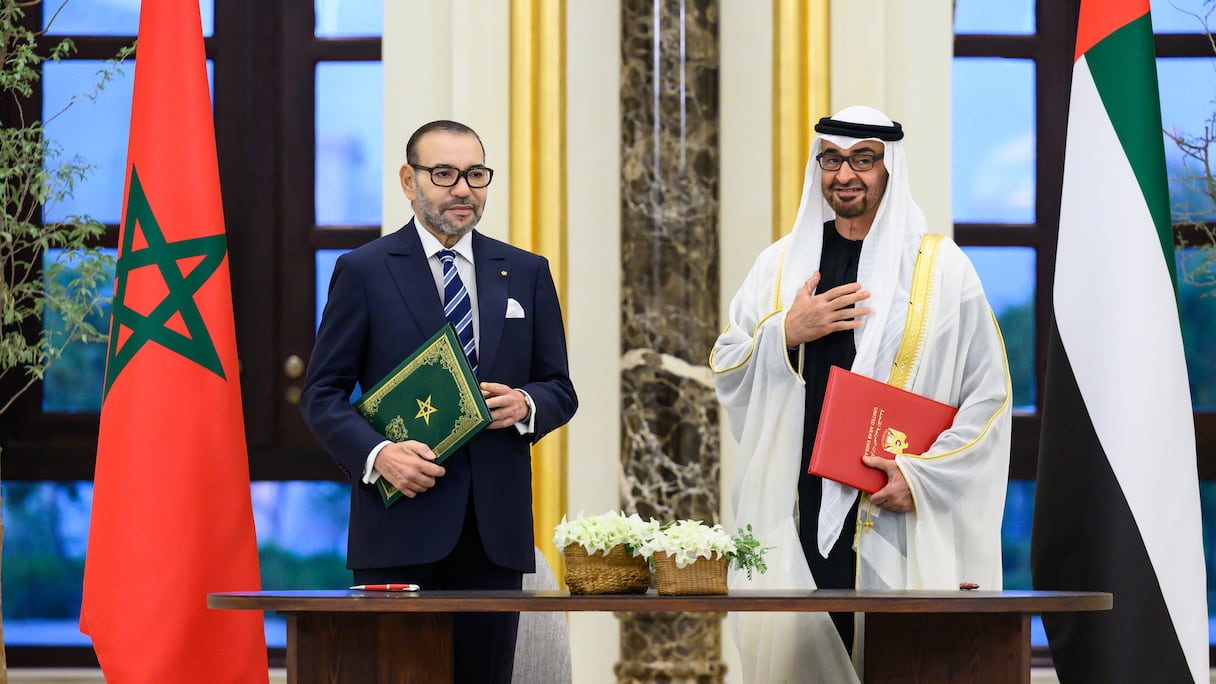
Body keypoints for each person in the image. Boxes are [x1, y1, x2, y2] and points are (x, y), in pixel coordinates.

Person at [710, 106, 1011, 682]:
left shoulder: (943, 270)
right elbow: (727, 364)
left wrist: (923, 477)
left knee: (896, 662)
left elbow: (988, 398)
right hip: (797, 507)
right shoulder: (780, 265)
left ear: (889, 168)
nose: (845, 175)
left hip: (890, 510)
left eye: (863, 160)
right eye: (832, 160)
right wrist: (784, 333)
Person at [300, 119, 578, 684]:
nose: (463, 189)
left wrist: (527, 404)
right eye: (444, 174)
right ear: (410, 180)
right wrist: (380, 456)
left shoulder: (525, 272)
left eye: (475, 175)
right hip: (397, 527)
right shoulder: (365, 270)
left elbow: (560, 389)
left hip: (495, 534)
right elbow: (321, 394)